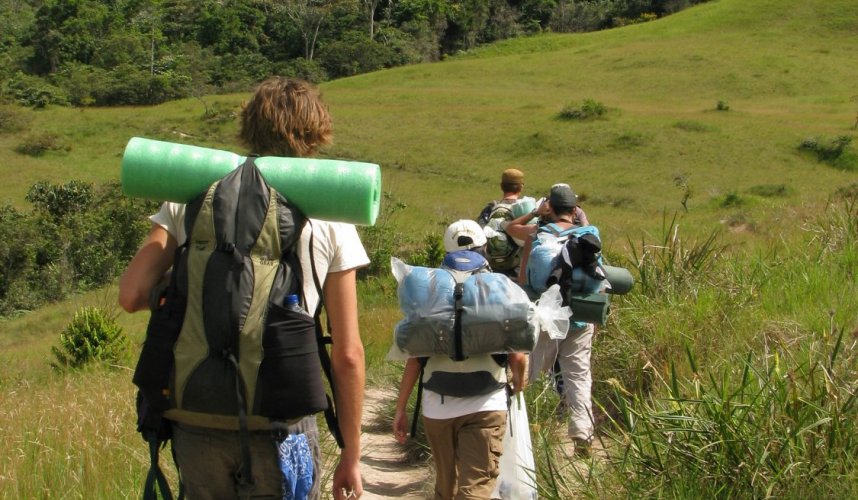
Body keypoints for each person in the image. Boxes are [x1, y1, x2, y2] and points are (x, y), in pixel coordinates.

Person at [119, 77, 368, 499]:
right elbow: (347, 354)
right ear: (316, 134)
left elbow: (130, 295)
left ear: (247, 125)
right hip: (281, 425)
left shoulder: (191, 196)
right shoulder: (330, 213)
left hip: (197, 420)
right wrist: (352, 453)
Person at [393, 219, 528, 499]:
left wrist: (401, 408)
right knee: (476, 487)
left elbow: (415, 359)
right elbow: (518, 355)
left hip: (437, 407)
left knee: (446, 487)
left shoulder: (429, 290)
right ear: (483, 247)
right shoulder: (499, 286)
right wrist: (519, 382)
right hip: (486, 401)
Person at [505, 183, 596, 455]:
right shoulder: (589, 236)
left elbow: (525, 280)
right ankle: (582, 434)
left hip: (545, 316)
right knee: (578, 376)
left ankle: (526, 430)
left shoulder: (538, 235)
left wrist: (535, 213)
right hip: (580, 320)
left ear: (551, 208)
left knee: (533, 372)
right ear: (575, 209)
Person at [477, 168, 527, 279]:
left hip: (492, 271)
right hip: (517, 270)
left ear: (501, 186)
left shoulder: (490, 210)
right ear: (521, 187)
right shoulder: (526, 211)